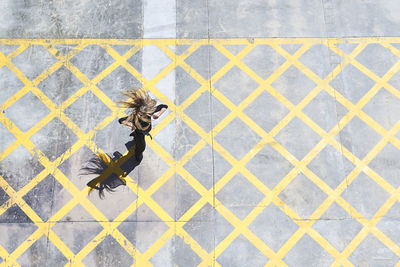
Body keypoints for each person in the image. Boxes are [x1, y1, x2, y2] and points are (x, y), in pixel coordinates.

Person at [118, 88, 168, 162]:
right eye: (141, 113)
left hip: (146, 129)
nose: (143, 115)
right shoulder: (134, 117)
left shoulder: (149, 112)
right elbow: (121, 120)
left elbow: (164, 106)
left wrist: (158, 114)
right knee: (141, 147)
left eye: (144, 114)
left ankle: (134, 135)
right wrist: (131, 125)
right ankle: (138, 154)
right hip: (140, 132)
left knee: (139, 137)